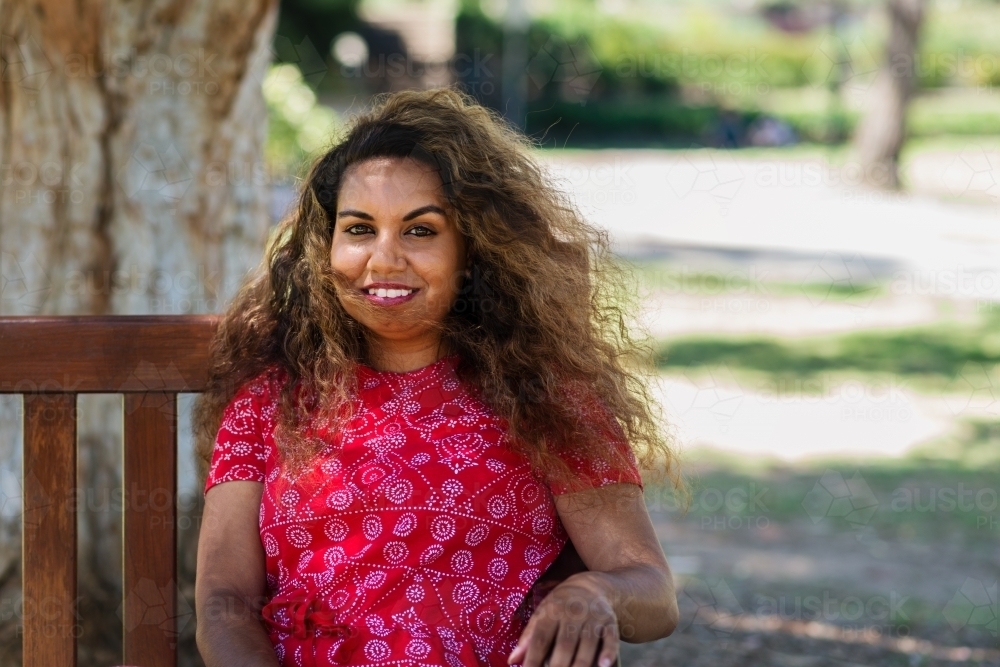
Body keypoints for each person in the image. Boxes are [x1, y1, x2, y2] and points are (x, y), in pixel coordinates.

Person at [193, 87, 682, 667]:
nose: (384, 259)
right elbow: (224, 603)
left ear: (473, 250)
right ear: (325, 249)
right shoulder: (271, 403)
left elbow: (653, 595)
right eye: (358, 229)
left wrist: (595, 591)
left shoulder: (544, 399)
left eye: (420, 231)